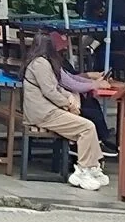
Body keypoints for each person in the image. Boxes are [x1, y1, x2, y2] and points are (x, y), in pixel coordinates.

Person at [22, 30, 107, 191]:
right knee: (87, 127)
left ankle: (93, 166)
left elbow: (57, 87)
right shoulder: (40, 64)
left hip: (48, 111)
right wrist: (68, 104)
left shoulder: (42, 62)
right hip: (43, 113)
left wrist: (68, 97)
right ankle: (82, 170)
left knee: (88, 126)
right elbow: (50, 92)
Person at [49, 31, 118, 158]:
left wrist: (93, 81)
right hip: (62, 104)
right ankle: (96, 142)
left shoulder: (57, 62)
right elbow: (72, 83)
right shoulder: (52, 65)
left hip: (67, 98)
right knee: (91, 112)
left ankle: (102, 139)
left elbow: (72, 77)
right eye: (62, 47)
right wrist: (94, 84)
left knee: (92, 103)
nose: (65, 49)